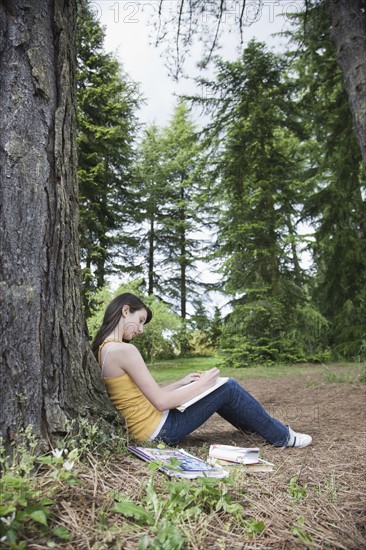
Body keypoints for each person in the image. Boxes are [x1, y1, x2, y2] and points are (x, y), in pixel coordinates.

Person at [92, 293, 312, 448]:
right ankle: (283, 437)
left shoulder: (104, 349)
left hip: (148, 427)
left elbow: (143, 395)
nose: (140, 329)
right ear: (125, 310)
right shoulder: (124, 350)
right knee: (228, 388)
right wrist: (202, 385)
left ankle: (259, 427)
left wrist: (182, 382)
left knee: (223, 389)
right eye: (139, 321)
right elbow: (159, 401)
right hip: (159, 431)